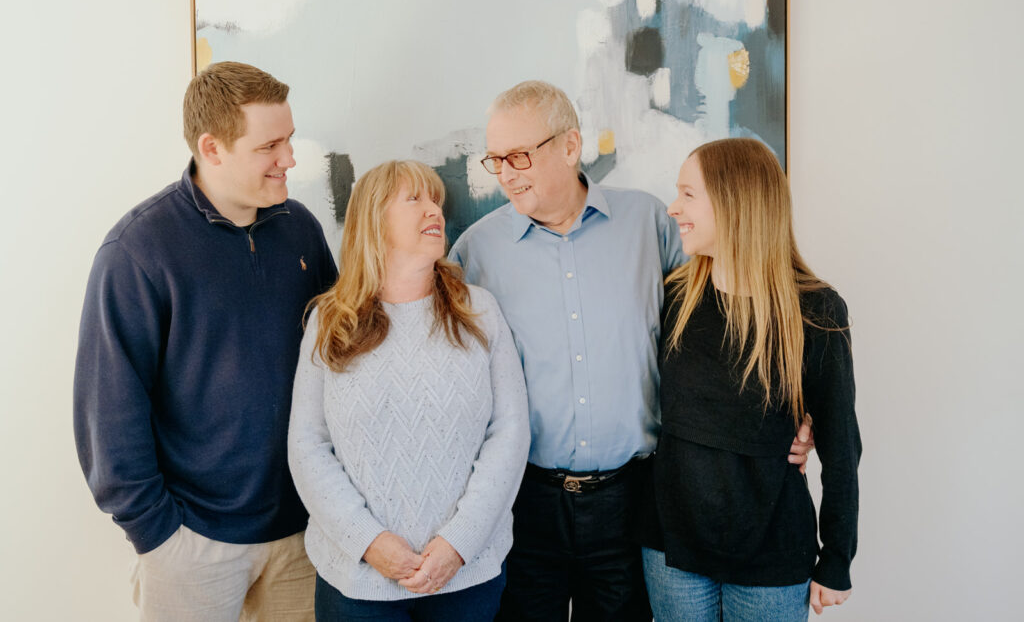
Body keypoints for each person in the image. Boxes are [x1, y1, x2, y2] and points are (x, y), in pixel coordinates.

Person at [449, 81, 816, 621]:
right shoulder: (474, 252)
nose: (505, 172)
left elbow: (727, 323)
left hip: (637, 500)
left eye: (519, 155)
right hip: (525, 504)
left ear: (570, 146)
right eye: (496, 159)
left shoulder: (650, 223)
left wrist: (789, 413)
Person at [73, 61, 337, 621]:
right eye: (270, 146)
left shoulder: (301, 228)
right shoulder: (137, 251)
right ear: (212, 149)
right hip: (191, 545)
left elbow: (341, 358)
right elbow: (109, 412)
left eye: (289, 139)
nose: (289, 158)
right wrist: (158, 536)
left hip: (303, 538)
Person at [288, 159, 530, 621]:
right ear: (373, 219)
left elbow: (510, 433)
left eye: (436, 199)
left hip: (467, 576)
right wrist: (369, 541)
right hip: (357, 584)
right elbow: (307, 446)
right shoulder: (330, 322)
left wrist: (459, 543)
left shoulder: (479, 310)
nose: (434, 210)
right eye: (415, 199)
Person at [639, 138, 861, 621]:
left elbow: (842, 445)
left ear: (734, 200)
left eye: (687, 194)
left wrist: (837, 558)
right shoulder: (675, 296)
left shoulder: (816, 311)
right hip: (672, 551)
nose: (674, 208)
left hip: (772, 556)